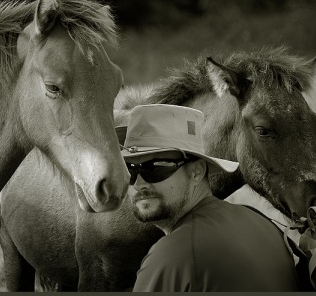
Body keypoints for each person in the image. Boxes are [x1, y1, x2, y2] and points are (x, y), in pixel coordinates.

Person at [116, 104, 299, 292]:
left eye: (155, 167)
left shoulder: (173, 253)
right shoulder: (260, 221)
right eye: (129, 169)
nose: (139, 183)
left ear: (197, 171)